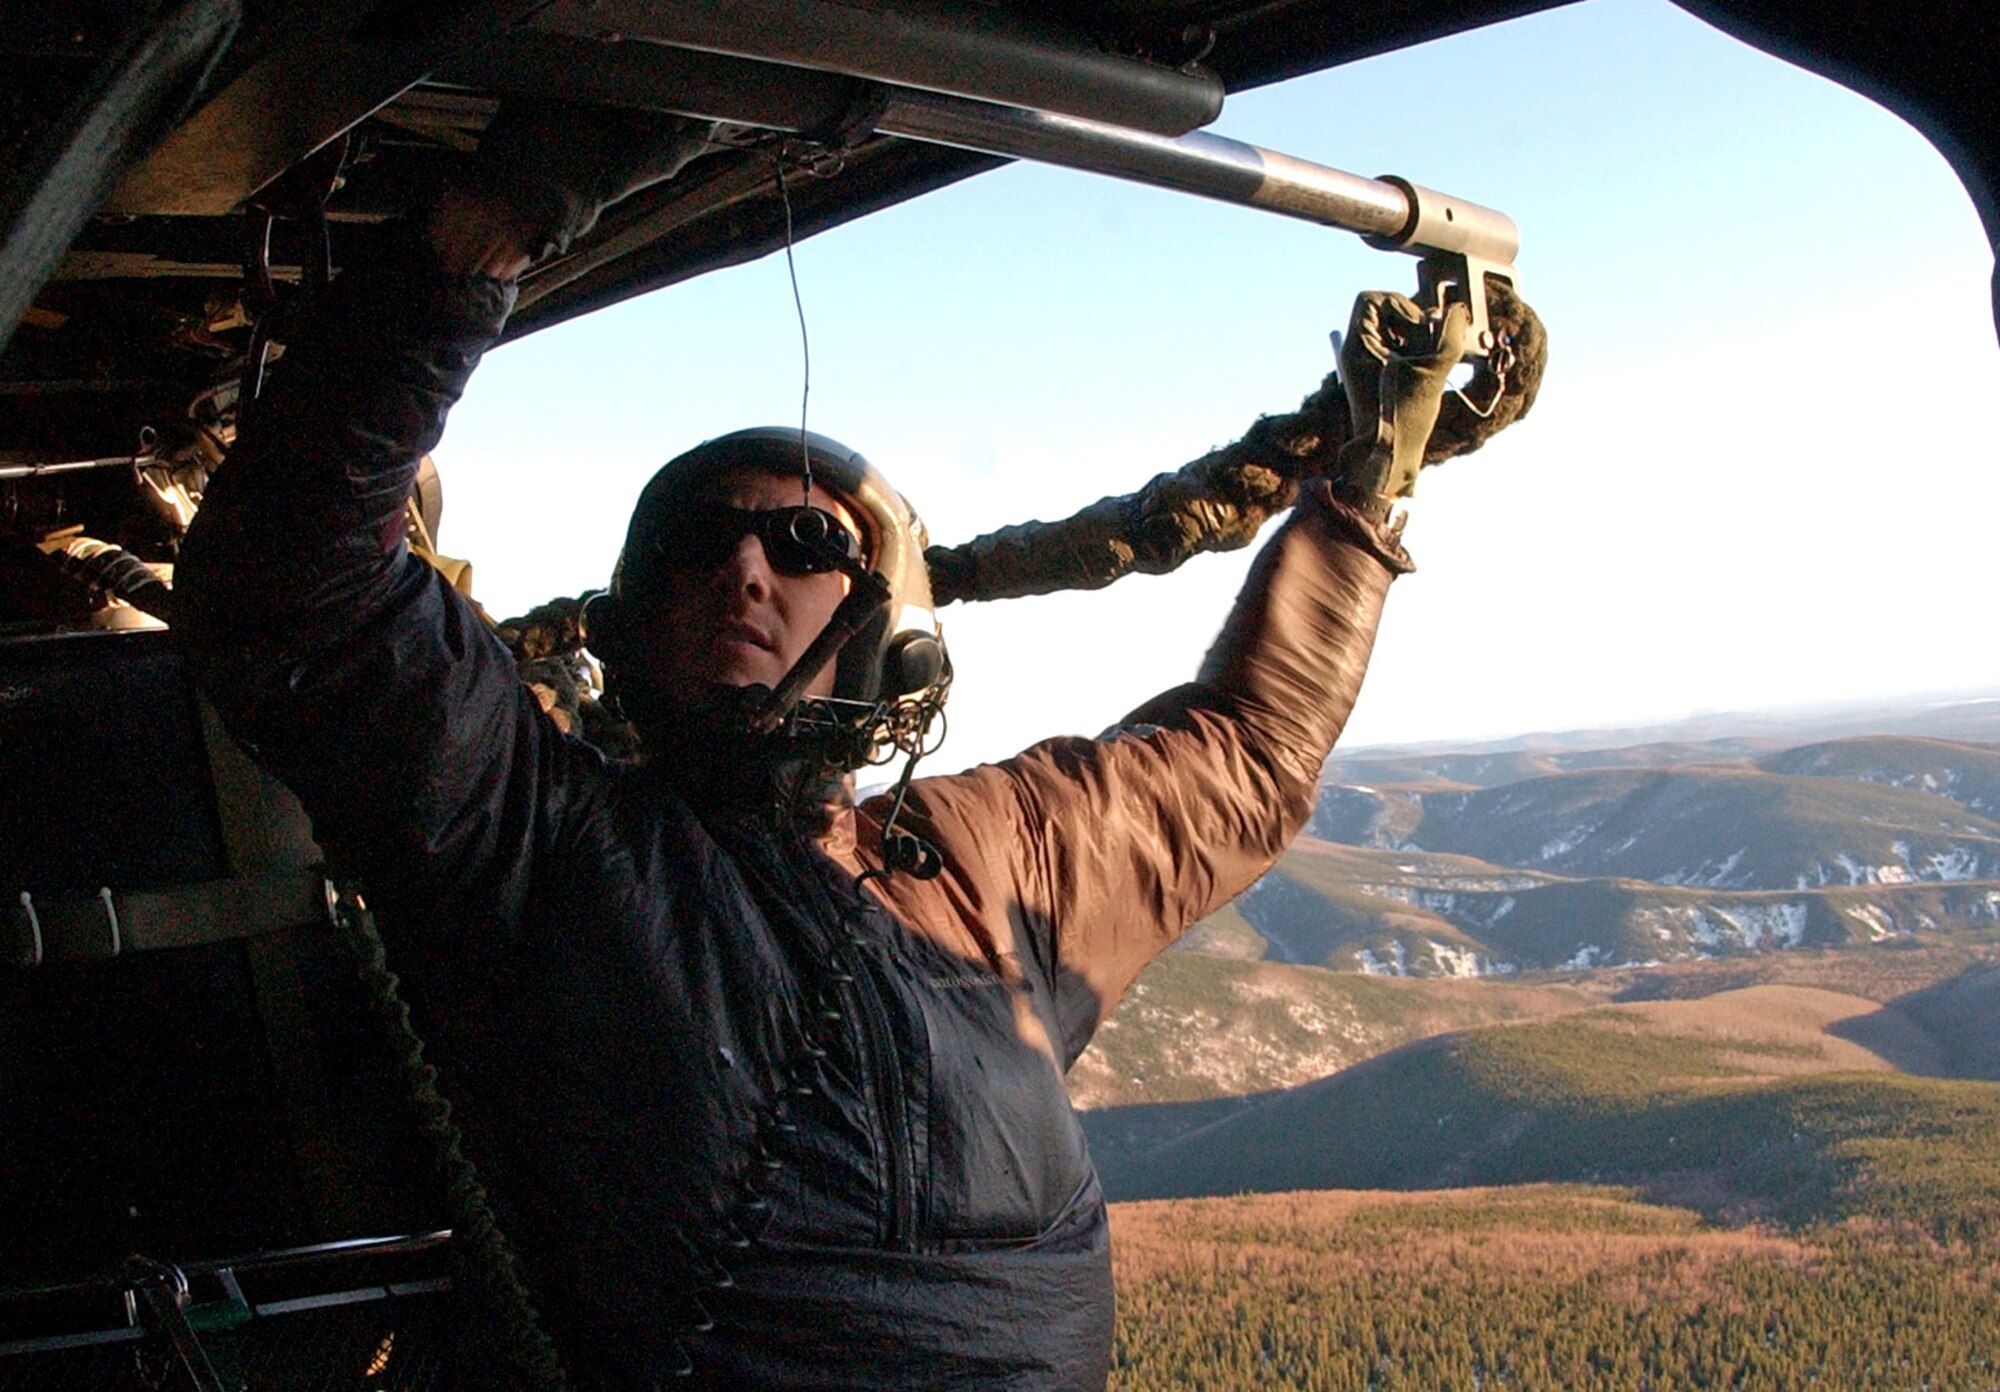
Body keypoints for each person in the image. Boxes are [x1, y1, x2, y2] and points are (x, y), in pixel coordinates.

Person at [177, 106, 1480, 1390]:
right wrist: (490, 231)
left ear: (882, 623)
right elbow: (298, 593)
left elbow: (1245, 753)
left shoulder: (993, 855)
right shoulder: (531, 837)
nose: (746, 564)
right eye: (700, 541)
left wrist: (1372, 483)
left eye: (805, 547)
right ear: (635, 626)